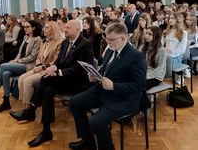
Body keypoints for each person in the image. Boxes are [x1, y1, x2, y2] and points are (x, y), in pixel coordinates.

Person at [9, 20, 94, 147]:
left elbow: (79, 68)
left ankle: (31, 110)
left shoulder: (85, 44)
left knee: (45, 79)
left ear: (77, 30)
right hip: (63, 80)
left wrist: (58, 72)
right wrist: (53, 67)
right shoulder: (65, 42)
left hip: (78, 82)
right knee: (47, 89)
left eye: (68, 28)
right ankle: (46, 130)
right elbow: (58, 61)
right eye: (64, 28)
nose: (64, 30)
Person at [68, 22, 146, 150]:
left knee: (96, 122)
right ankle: (88, 140)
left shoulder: (136, 56)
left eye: (112, 40)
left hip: (124, 98)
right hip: (104, 90)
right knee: (74, 103)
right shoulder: (111, 49)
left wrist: (114, 86)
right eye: (107, 39)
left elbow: (139, 85)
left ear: (123, 38)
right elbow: (105, 70)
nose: (108, 43)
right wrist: (94, 76)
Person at [0, 20, 42, 112]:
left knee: (3, 66)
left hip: (29, 65)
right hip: (20, 63)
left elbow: (33, 57)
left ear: (33, 28)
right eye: (24, 27)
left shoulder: (37, 39)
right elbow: (20, 52)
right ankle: (6, 101)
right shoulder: (25, 37)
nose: (25, 29)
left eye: (27, 27)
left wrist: (17, 61)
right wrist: (15, 60)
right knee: (6, 74)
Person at [14, 21, 62, 108]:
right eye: (44, 27)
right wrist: (39, 65)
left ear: (54, 30)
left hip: (48, 70)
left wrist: (42, 67)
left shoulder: (59, 43)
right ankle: (24, 105)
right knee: (21, 79)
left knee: (27, 81)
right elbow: (38, 57)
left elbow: (56, 61)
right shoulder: (44, 41)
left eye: (47, 28)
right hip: (39, 67)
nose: (44, 29)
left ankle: (28, 110)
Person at [162, 12, 187, 82]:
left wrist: (172, 51)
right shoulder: (165, 31)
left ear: (178, 20)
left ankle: (181, 73)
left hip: (176, 57)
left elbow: (182, 50)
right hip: (166, 55)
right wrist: (164, 49)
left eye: (173, 18)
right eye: (169, 18)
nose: (170, 20)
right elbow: (160, 44)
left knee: (165, 65)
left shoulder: (183, 33)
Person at [141, 26, 167, 90]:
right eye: (146, 33)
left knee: (139, 86)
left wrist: (145, 76)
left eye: (150, 34)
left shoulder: (162, 51)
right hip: (144, 73)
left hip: (156, 77)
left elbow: (159, 69)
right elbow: (138, 62)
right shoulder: (142, 47)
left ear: (156, 36)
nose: (147, 36)